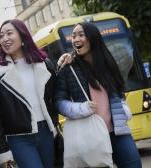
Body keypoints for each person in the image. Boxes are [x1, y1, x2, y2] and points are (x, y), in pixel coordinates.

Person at [55, 22, 142, 168]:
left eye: (81, 35)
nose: (76, 39)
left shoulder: (108, 64)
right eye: (74, 35)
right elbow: (59, 102)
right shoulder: (68, 67)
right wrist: (81, 109)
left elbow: (119, 92)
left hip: (117, 130)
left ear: (93, 38)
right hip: (90, 136)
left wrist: (123, 109)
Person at [0, 19, 59, 168]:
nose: (4, 39)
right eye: (1, 36)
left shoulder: (44, 64)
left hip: (46, 131)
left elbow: (57, 95)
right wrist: (1, 150)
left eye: (9, 33)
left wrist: (65, 64)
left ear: (22, 35)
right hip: (18, 139)